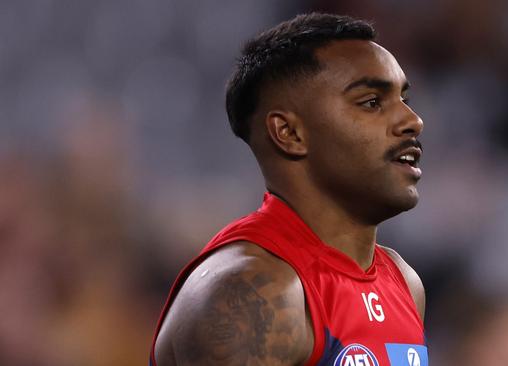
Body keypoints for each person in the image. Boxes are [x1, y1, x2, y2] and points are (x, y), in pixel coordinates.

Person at [151, 12, 426, 366]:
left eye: (405, 99)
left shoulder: (402, 282)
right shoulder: (251, 294)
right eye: (372, 102)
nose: (412, 121)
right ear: (290, 133)